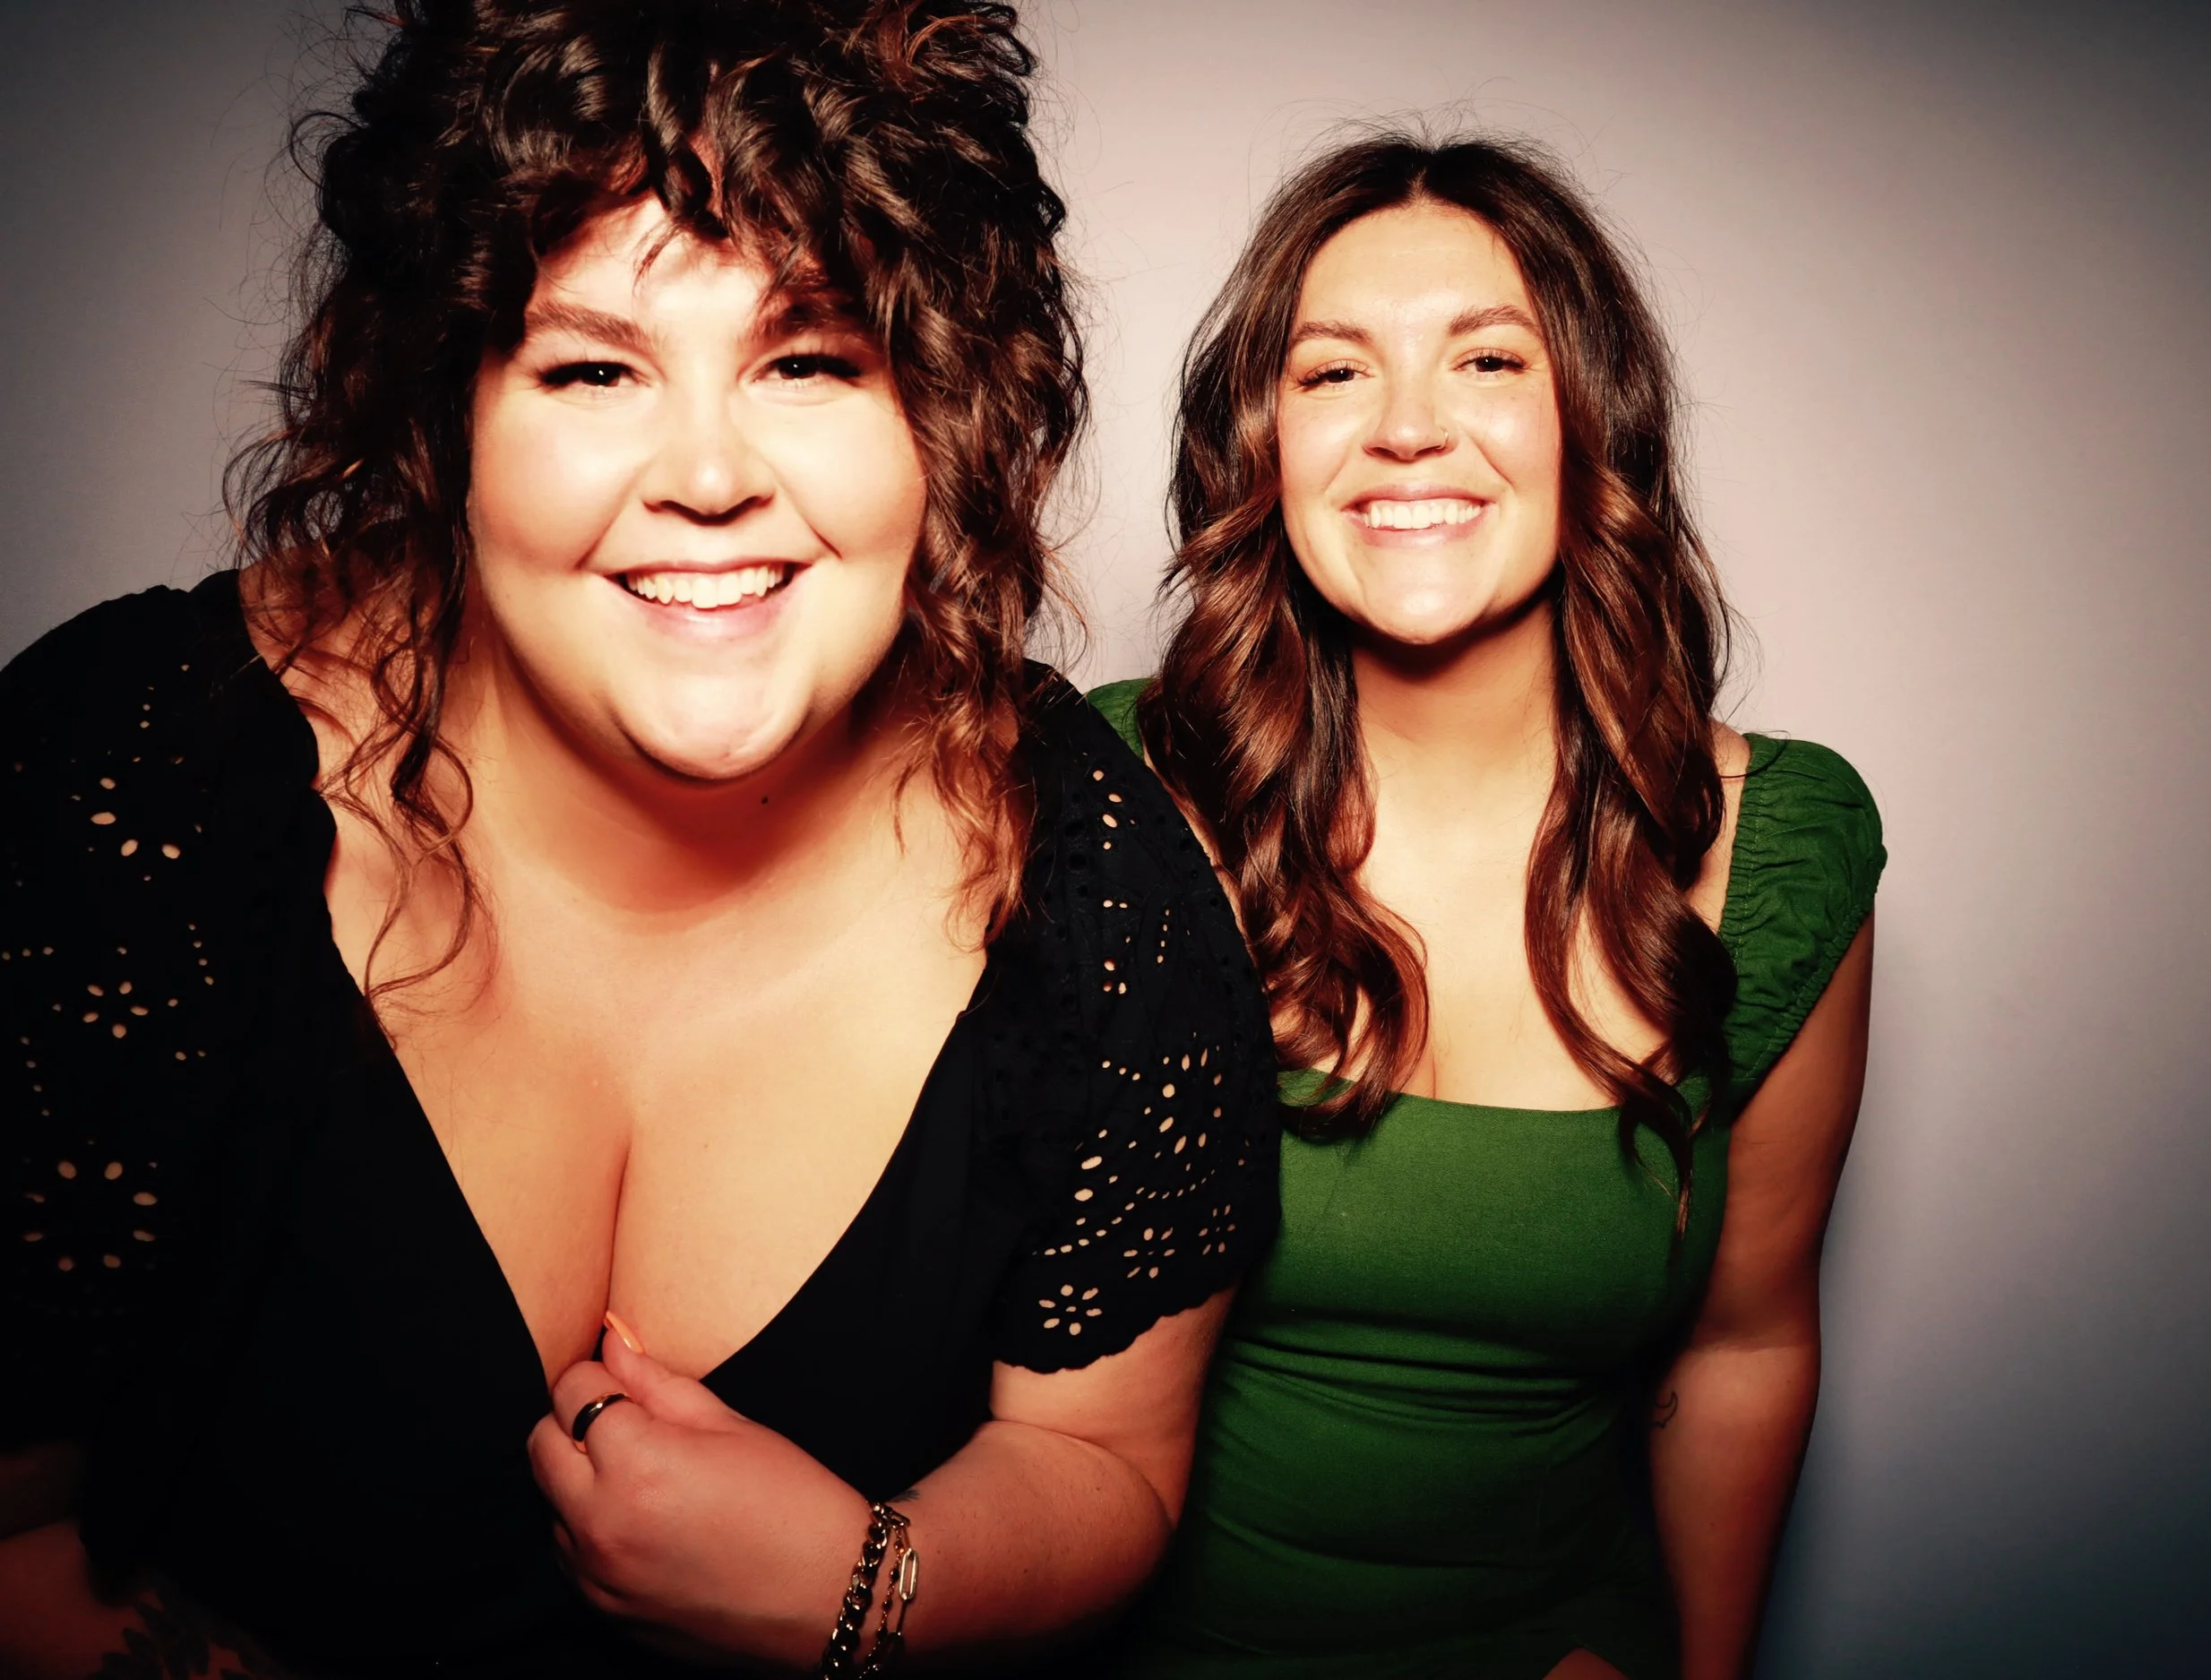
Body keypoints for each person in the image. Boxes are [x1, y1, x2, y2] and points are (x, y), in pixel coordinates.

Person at [0, 4, 1278, 1675]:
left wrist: (863, 1588)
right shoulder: (126, 787)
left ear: (939, 407)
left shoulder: (1098, 885)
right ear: (448, 406)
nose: (708, 474)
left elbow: (1103, 1459)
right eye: (594, 367)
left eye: (808, 359)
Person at [1089, 133, 1885, 1679]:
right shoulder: (1111, 792)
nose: (1406, 427)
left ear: (1594, 417)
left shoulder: (1777, 847)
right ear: (1261, 442)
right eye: (1334, 372)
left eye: (1488, 360)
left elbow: (1745, 1342)